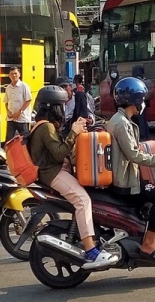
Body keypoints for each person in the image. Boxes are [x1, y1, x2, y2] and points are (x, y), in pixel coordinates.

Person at [26, 85, 117, 270]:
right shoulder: (46, 127)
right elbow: (59, 154)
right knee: (82, 200)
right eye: (62, 106)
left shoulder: (44, 126)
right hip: (52, 174)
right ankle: (91, 251)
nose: (64, 110)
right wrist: (74, 132)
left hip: (54, 171)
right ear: (54, 108)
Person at [107, 77, 155, 262]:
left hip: (126, 176)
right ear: (136, 101)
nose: (144, 104)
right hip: (125, 182)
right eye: (143, 100)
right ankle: (149, 243)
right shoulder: (122, 124)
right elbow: (134, 155)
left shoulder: (120, 120)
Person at [4, 66, 33, 141]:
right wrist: (8, 111)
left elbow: (28, 100)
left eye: (15, 73)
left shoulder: (24, 86)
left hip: (22, 119)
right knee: (9, 140)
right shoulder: (8, 88)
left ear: (19, 74)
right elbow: (6, 102)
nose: (14, 76)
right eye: (12, 74)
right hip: (11, 119)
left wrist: (20, 112)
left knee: (24, 140)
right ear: (9, 75)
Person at [130, 65, 153, 141]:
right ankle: (147, 135)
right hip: (145, 102)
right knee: (143, 119)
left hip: (138, 103)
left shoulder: (136, 81)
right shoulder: (146, 80)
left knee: (140, 120)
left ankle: (142, 136)